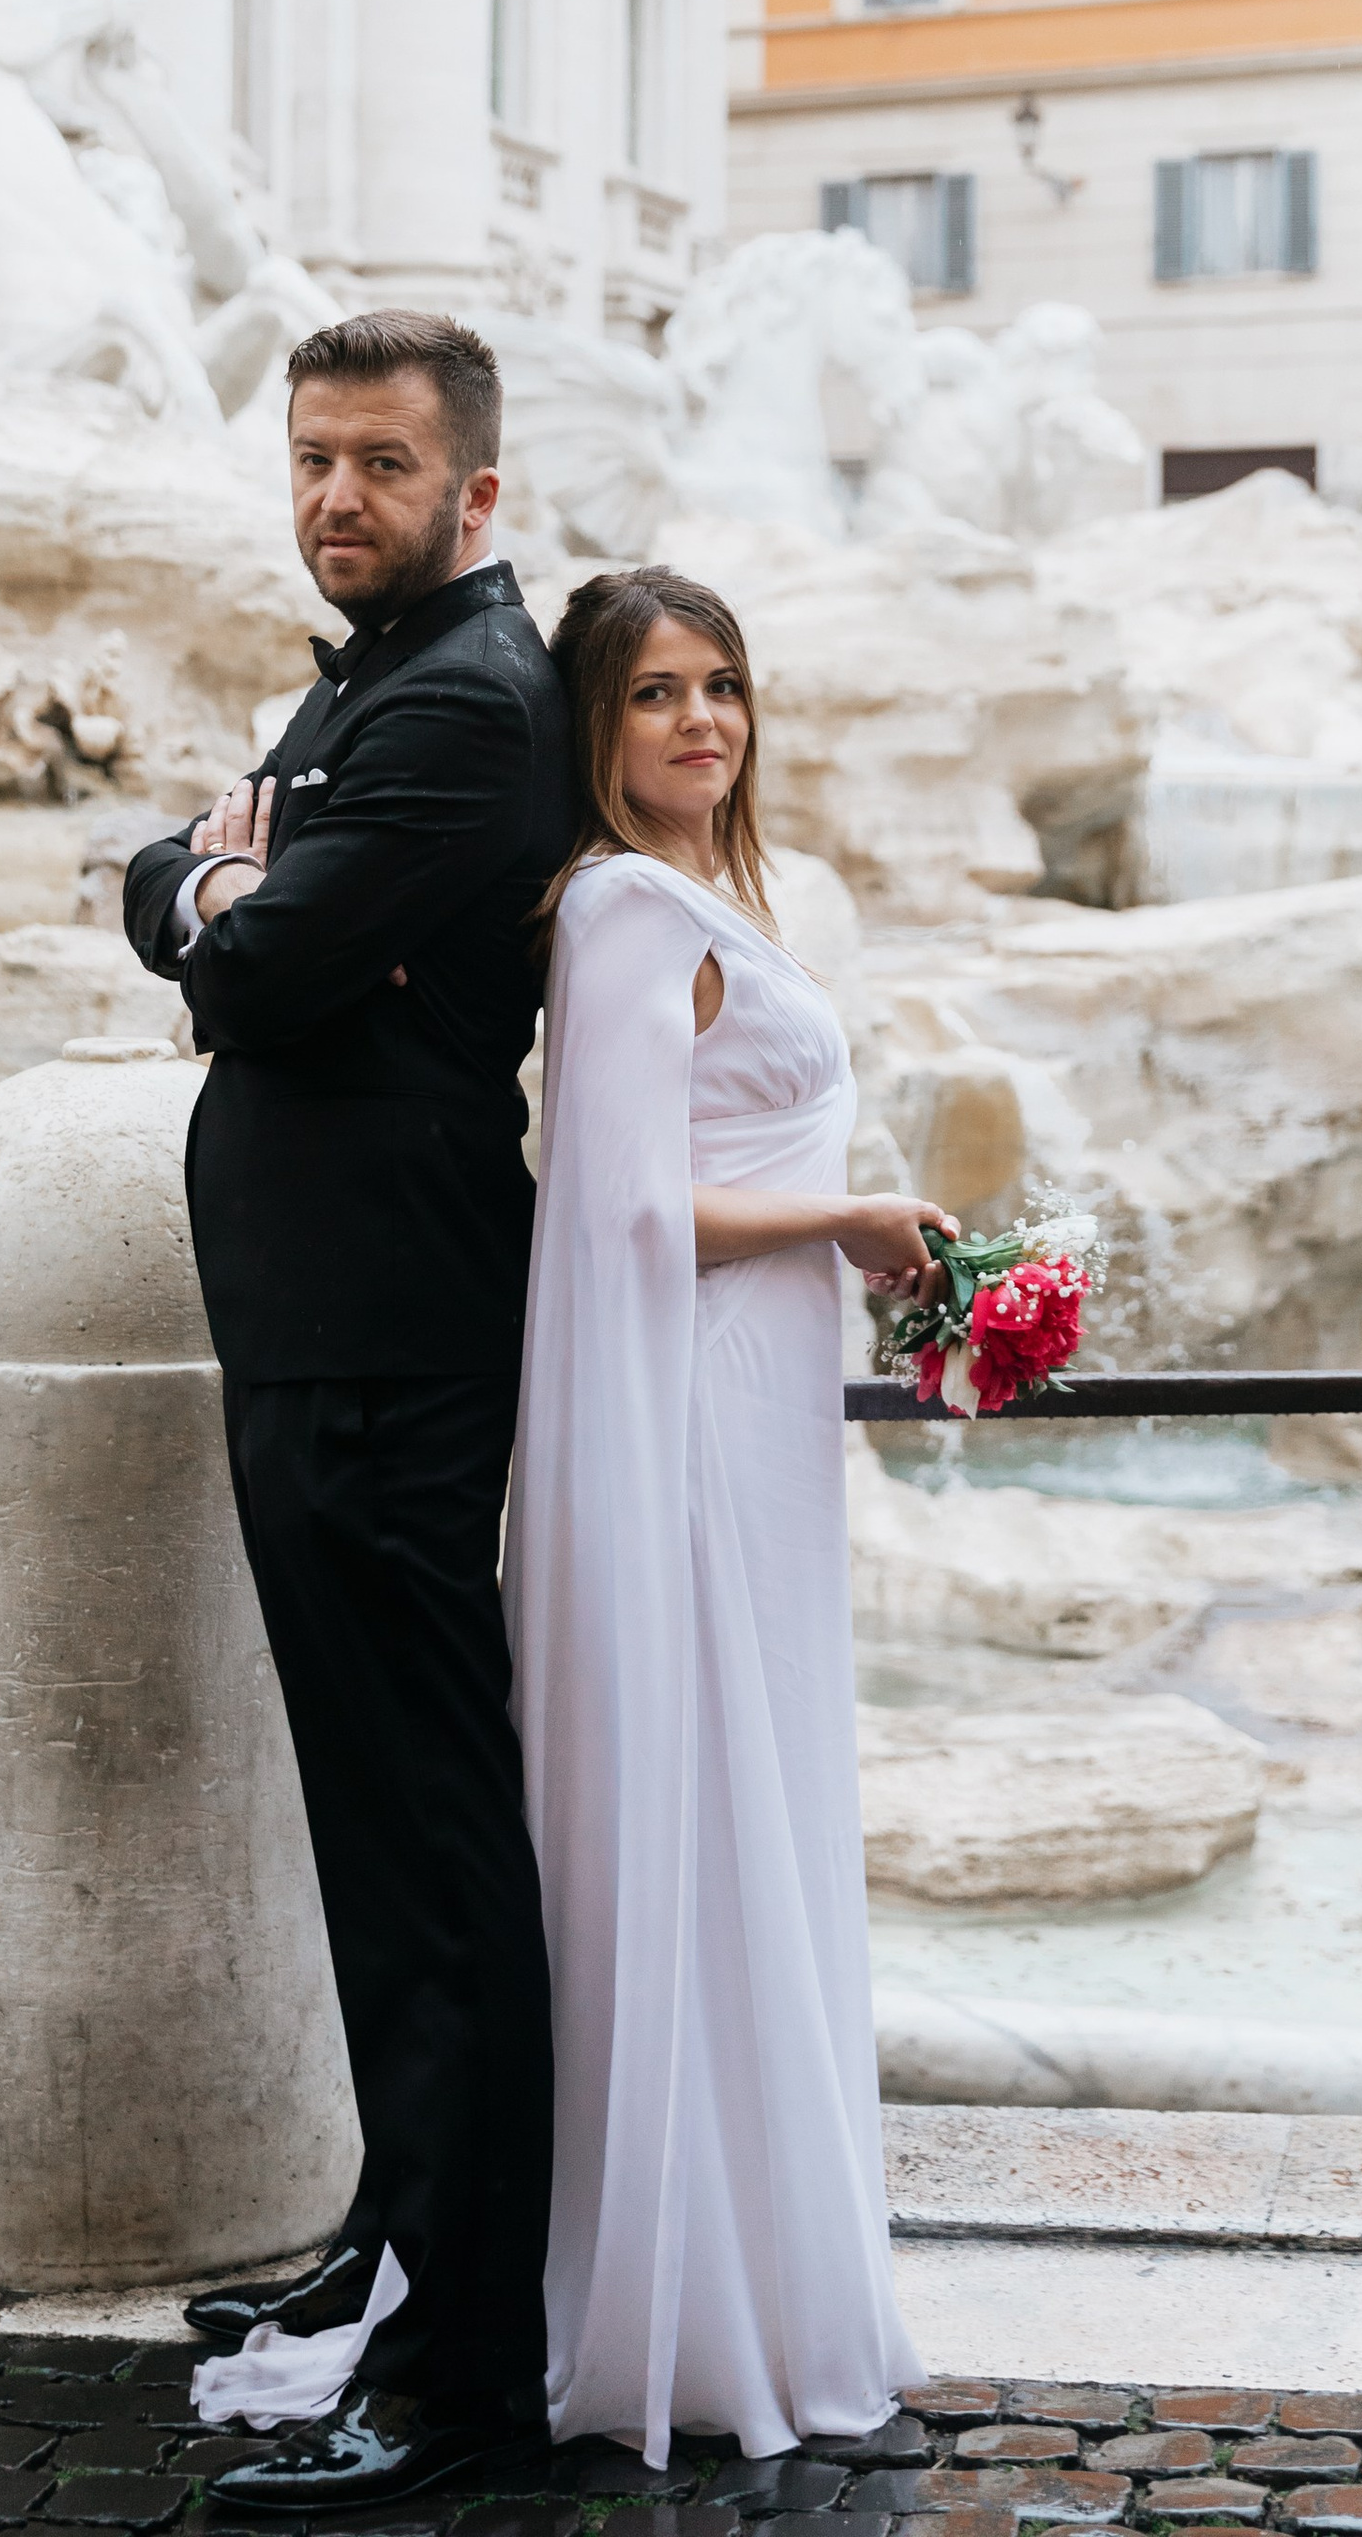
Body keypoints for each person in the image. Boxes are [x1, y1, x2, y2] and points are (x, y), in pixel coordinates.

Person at [121, 310, 573, 2517]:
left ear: (471, 491)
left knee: (428, 1855)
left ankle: (471, 2362)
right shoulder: (366, 680)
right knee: (373, 1838)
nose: (332, 496)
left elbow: (253, 967)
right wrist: (218, 884)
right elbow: (196, 899)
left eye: (380, 465)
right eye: (310, 457)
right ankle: (392, 2255)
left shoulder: (471, 707)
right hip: (329, 1325)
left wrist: (227, 894)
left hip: (388, 1343)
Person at [504, 567, 941, 2463]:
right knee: (705, 1797)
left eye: (725, 690)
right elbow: (620, 1212)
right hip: (684, 1416)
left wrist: (896, 1259)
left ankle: (759, 2257)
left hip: (763, 1418)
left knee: (763, 1786)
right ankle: (682, 2300)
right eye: (658, 694)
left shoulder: (712, 899)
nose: (701, 723)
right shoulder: (618, 907)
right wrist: (849, 1221)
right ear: (595, 728)